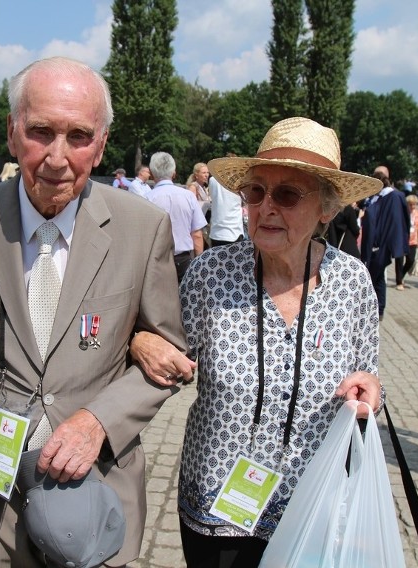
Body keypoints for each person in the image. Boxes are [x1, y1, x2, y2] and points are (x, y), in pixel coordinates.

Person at [0, 56, 188, 567]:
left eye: (79, 136)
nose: (58, 158)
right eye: (41, 132)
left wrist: (97, 421)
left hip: (94, 486)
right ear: (12, 135)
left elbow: (168, 359)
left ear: (100, 144)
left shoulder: (143, 229)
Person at [129, 116, 384, 567]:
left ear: (326, 208)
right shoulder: (210, 275)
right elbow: (164, 347)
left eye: (287, 194)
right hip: (218, 504)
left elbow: (368, 371)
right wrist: (140, 342)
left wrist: (369, 391)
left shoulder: (352, 280)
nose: (266, 207)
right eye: (255, 192)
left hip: (313, 503)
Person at [146, 152, 208, 282]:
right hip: (183, 259)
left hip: (156, 260)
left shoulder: (147, 199)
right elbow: (197, 234)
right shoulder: (188, 196)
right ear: (174, 173)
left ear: (151, 173)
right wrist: (199, 263)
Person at [360, 169, 409, 319]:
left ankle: (371, 309)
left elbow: (395, 222)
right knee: (380, 278)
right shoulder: (381, 197)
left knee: (373, 277)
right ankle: (379, 309)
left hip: (380, 245)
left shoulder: (392, 197)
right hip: (378, 245)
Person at [207, 157, 244, 247]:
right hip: (235, 231)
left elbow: (212, 197)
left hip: (217, 231)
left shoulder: (212, 180)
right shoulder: (239, 181)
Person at [400, 193, 418, 287]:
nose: (413, 206)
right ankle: (399, 279)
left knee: (410, 260)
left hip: (413, 239)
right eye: (411, 204)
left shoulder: (417, 213)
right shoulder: (402, 212)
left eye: (414, 204)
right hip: (403, 239)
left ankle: (401, 274)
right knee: (400, 259)